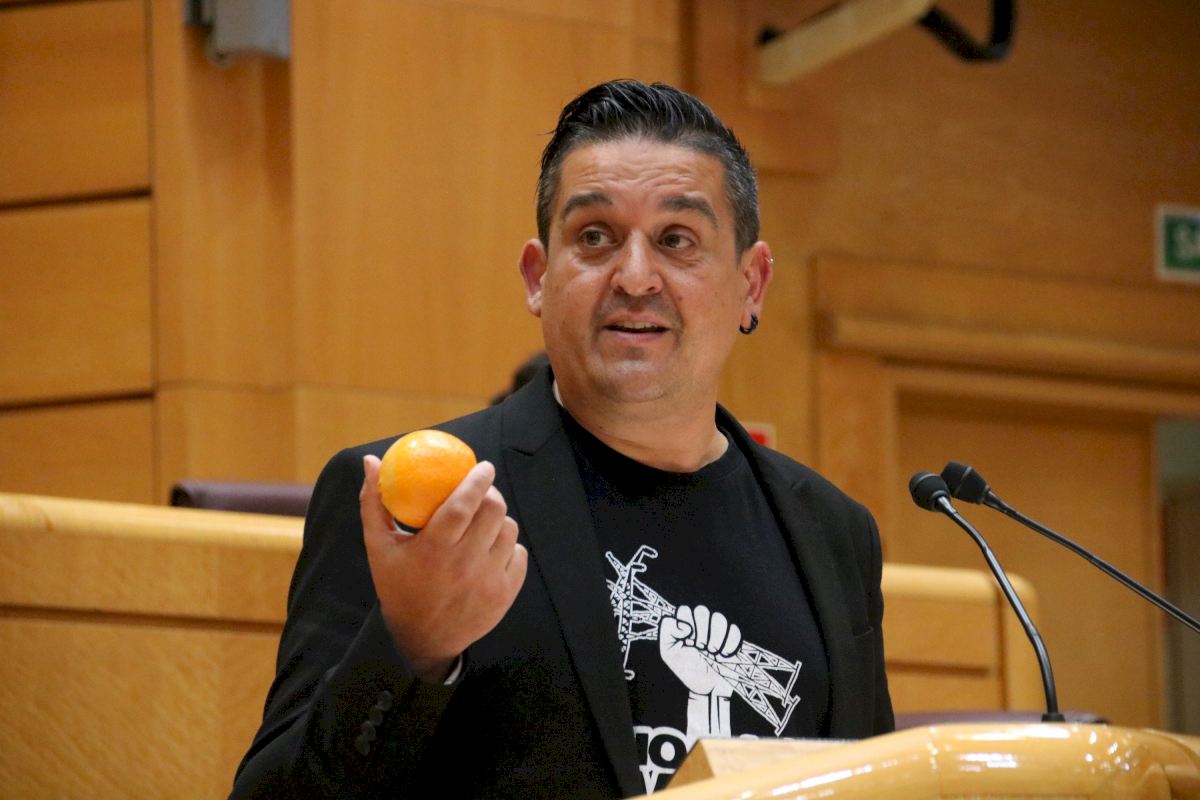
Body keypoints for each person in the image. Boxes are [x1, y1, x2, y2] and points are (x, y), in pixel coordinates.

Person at [231, 79, 892, 799]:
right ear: (538, 277)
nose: (635, 277)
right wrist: (411, 647)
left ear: (751, 285)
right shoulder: (417, 503)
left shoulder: (834, 534)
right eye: (594, 237)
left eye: (676, 240)